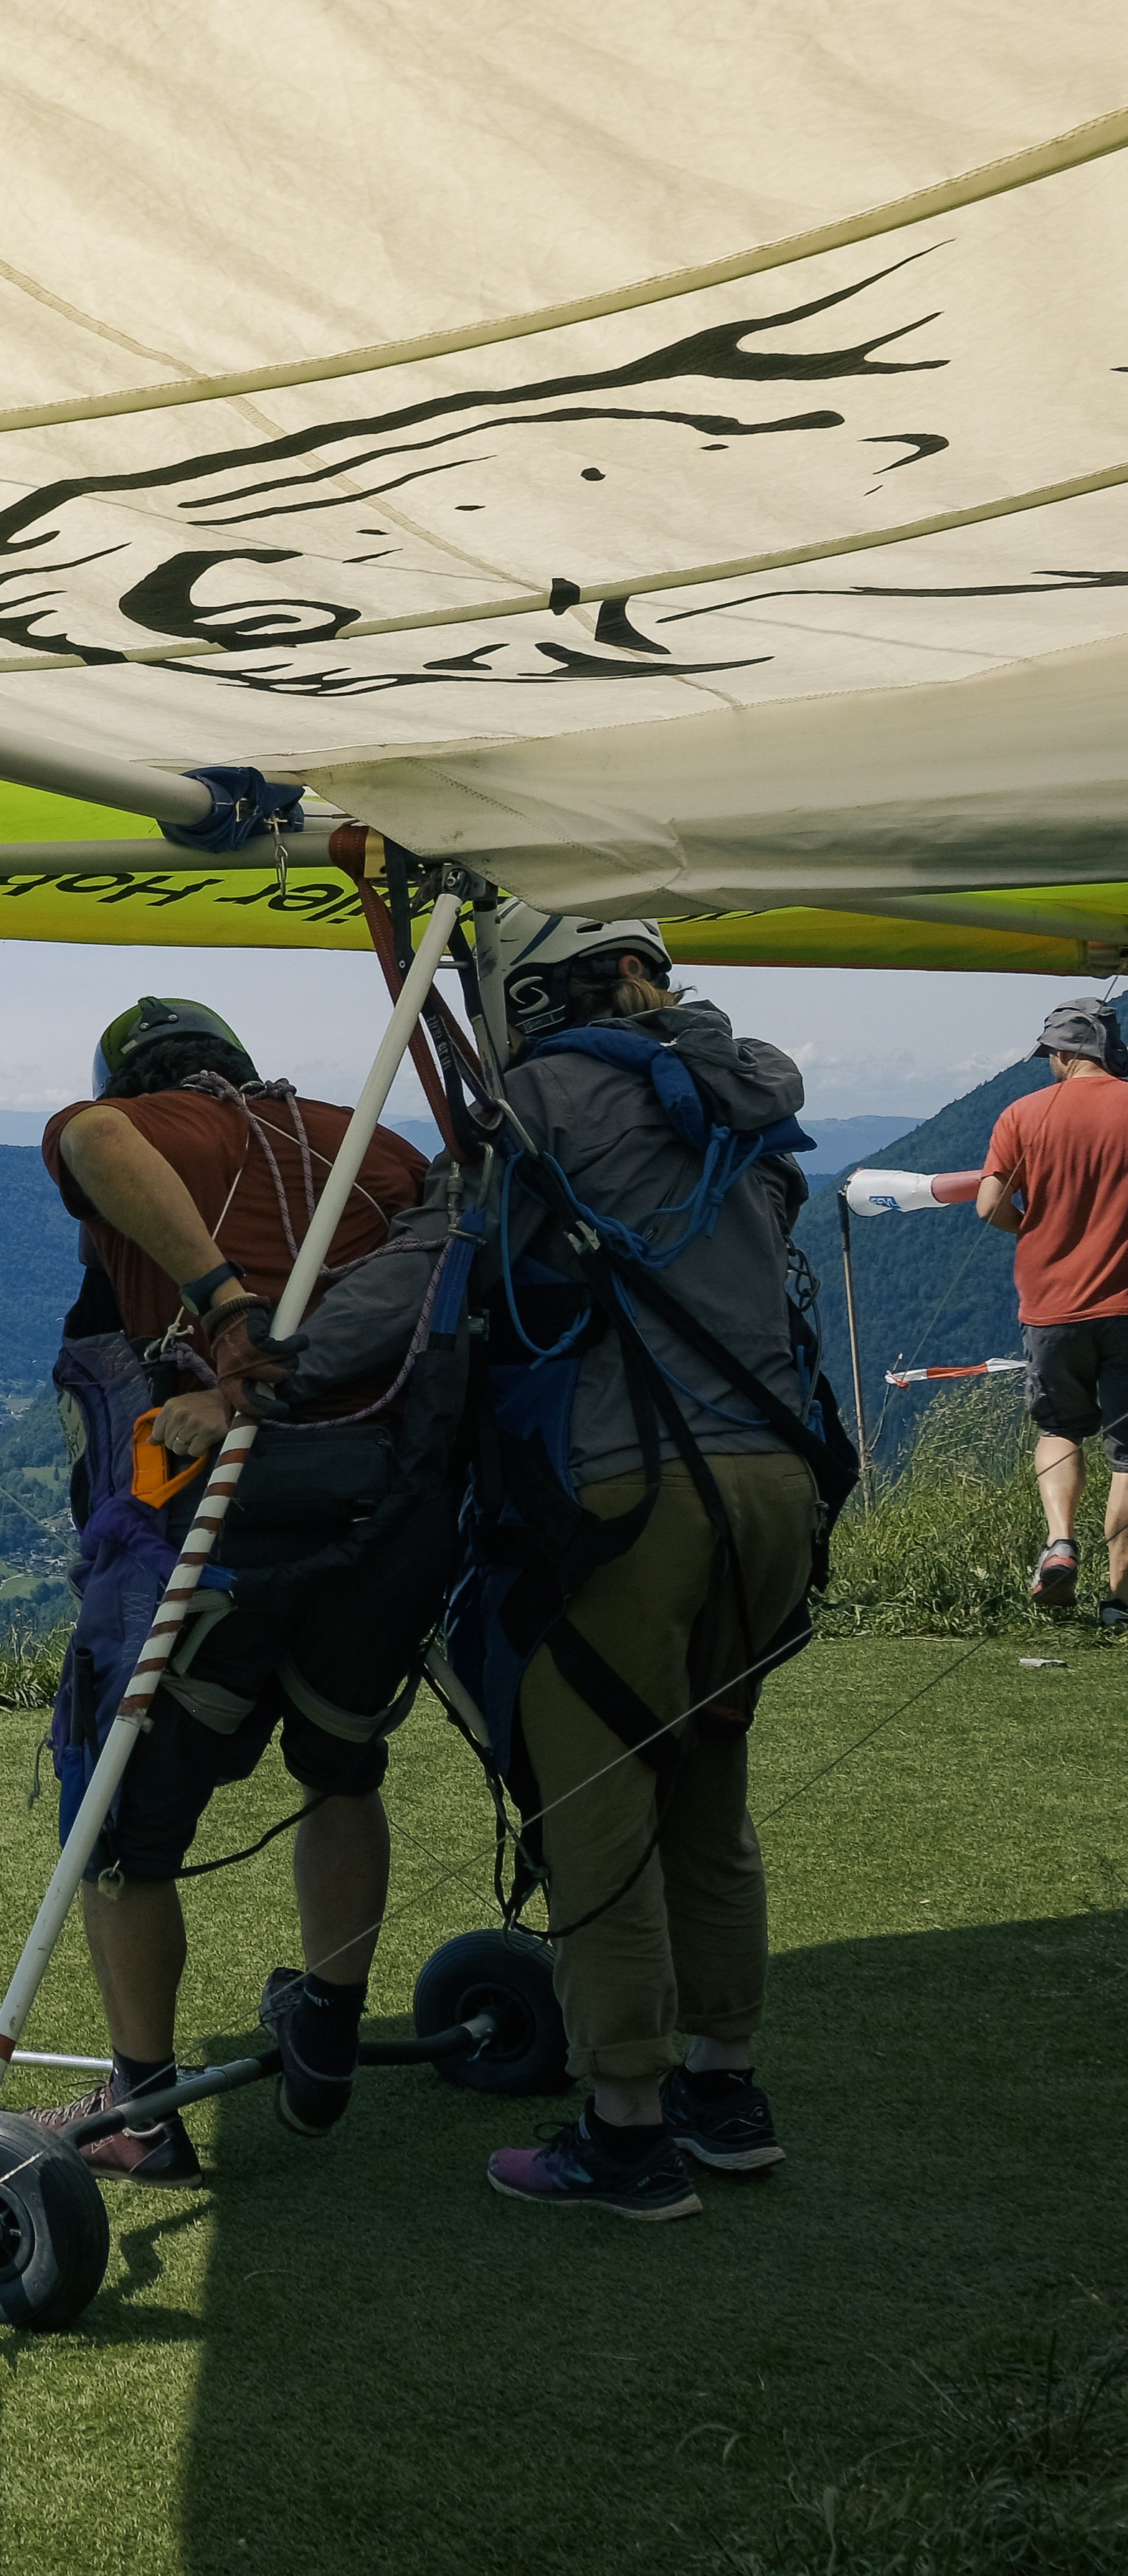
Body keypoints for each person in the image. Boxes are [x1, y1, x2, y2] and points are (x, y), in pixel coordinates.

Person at [466, 910, 842, 2222]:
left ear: (527, 996)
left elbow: (473, 1277)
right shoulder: (736, 1094)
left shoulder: (537, 1097)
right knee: (705, 1784)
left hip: (635, 1484)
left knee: (600, 1810)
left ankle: (621, 2131)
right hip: (774, 1489)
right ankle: (721, 2087)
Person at [34, 996, 433, 2183]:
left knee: (118, 1834)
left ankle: (139, 2108)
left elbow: (91, 1142)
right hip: (374, 1518)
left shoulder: (133, 1126)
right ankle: (323, 2025)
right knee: (338, 1765)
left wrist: (219, 1306)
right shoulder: (376, 1147)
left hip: (215, 1526)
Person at [975, 999, 1128, 1621]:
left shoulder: (1023, 1115)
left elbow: (988, 1206)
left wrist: (1035, 1227)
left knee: (1059, 1430)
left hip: (1051, 1307)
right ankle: (1121, 1599)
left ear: (1063, 1055)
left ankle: (1061, 1542)